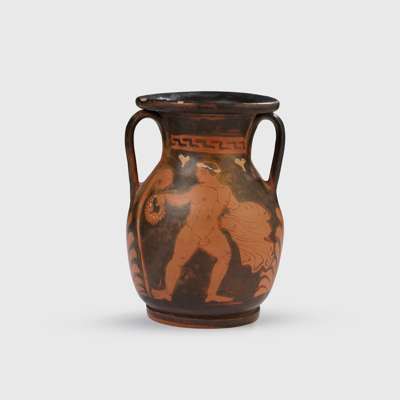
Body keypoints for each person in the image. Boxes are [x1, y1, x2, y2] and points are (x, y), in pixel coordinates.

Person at [152, 161, 238, 303]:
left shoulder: (226, 191)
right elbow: (179, 200)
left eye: (199, 172)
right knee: (177, 261)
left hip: (211, 233)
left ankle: (211, 295)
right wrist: (165, 197)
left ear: (207, 173)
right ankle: (167, 292)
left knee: (225, 256)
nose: (197, 175)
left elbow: (235, 208)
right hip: (191, 232)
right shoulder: (197, 189)